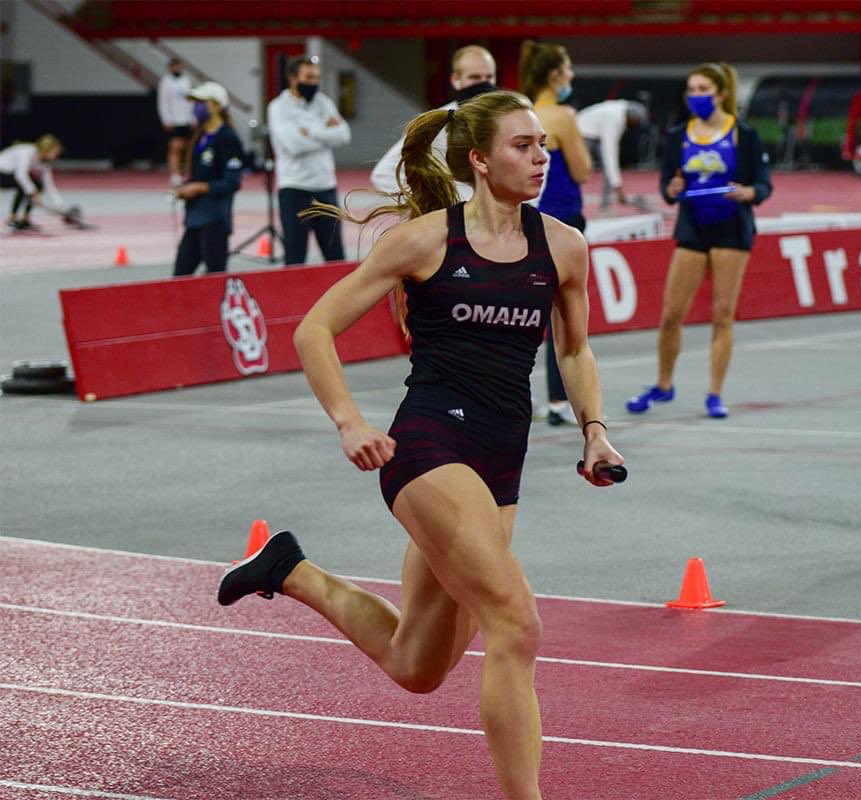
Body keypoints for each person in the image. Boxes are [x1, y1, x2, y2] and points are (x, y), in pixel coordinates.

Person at [217, 89, 624, 800]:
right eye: (522, 145)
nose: (539, 156)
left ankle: (293, 571)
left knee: (417, 665)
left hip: (502, 458)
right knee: (516, 625)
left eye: (543, 145)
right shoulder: (426, 239)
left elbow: (576, 350)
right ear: (478, 159)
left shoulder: (563, 245)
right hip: (430, 444)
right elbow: (314, 329)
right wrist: (350, 420)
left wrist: (595, 431)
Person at [626, 62, 771, 419]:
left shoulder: (744, 134)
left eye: (704, 89)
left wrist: (748, 192)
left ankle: (715, 393)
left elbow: (764, 185)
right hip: (692, 227)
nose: (697, 96)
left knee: (722, 315)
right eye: (692, 90)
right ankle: (663, 385)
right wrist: (671, 190)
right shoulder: (679, 135)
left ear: (721, 93)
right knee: (671, 314)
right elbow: (667, 186)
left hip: (731, 228)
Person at [519, 40, 592, 426]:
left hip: (527, 219)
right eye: (568, 70)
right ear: (554, 75)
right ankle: (560, 401)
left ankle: (519, 395)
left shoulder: (521, 111)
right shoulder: (560, 116)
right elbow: (582, 170)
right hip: (562, 219)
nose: (572, 77)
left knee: (521, 311)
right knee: (564, 315)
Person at [370, 44, 497, 200]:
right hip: (455, 218)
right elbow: (384, 174)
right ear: (456, 80)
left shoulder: (506, 120)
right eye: (475, 78)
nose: (483, 84)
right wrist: (431, 205)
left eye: (489, 77)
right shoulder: (438, 121)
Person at [267, 55, 351, 266]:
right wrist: (325, 132)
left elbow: (344, 135)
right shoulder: (278, 107)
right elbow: (293, 145)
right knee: (295, 256)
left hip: (325, 186)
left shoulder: (323, 102)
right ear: (293, 79)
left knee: (335, 256)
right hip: (295, 188)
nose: (314, 82)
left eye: (317, 77)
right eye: (308, 77)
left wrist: (310, 132)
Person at [172, 82, 244, 277]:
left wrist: (201, 188)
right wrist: (185, 188)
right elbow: (199, 175)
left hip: (215, 219)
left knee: (215, 277)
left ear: (216, 105)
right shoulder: (201, 137)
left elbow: (232, 182)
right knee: (180, 275)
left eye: (201, 102)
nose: (196, 107)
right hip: (195, 217)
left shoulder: (227, 138)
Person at [576, 99, 648, 209]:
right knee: (578, 169)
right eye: (635, 123)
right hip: (582, 132)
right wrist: (618, 188)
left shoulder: (624, 108)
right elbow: (610, 155)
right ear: (631, 118)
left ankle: (605, 206)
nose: (634, 127)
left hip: (597, 134)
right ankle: (572, 203)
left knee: (608, 172)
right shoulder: (615, 121)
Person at [157, 58, 194, 188]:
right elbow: (163, 102)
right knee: (175, 147)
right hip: (174, 119)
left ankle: (189, 172)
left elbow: (191, 100)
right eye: (174, 66)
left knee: (189, 147)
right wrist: (166, 119)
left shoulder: (186, 81)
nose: (176, 68)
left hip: (186, 119)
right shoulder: (166, 82)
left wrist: (193, 117)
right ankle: (175, 174)